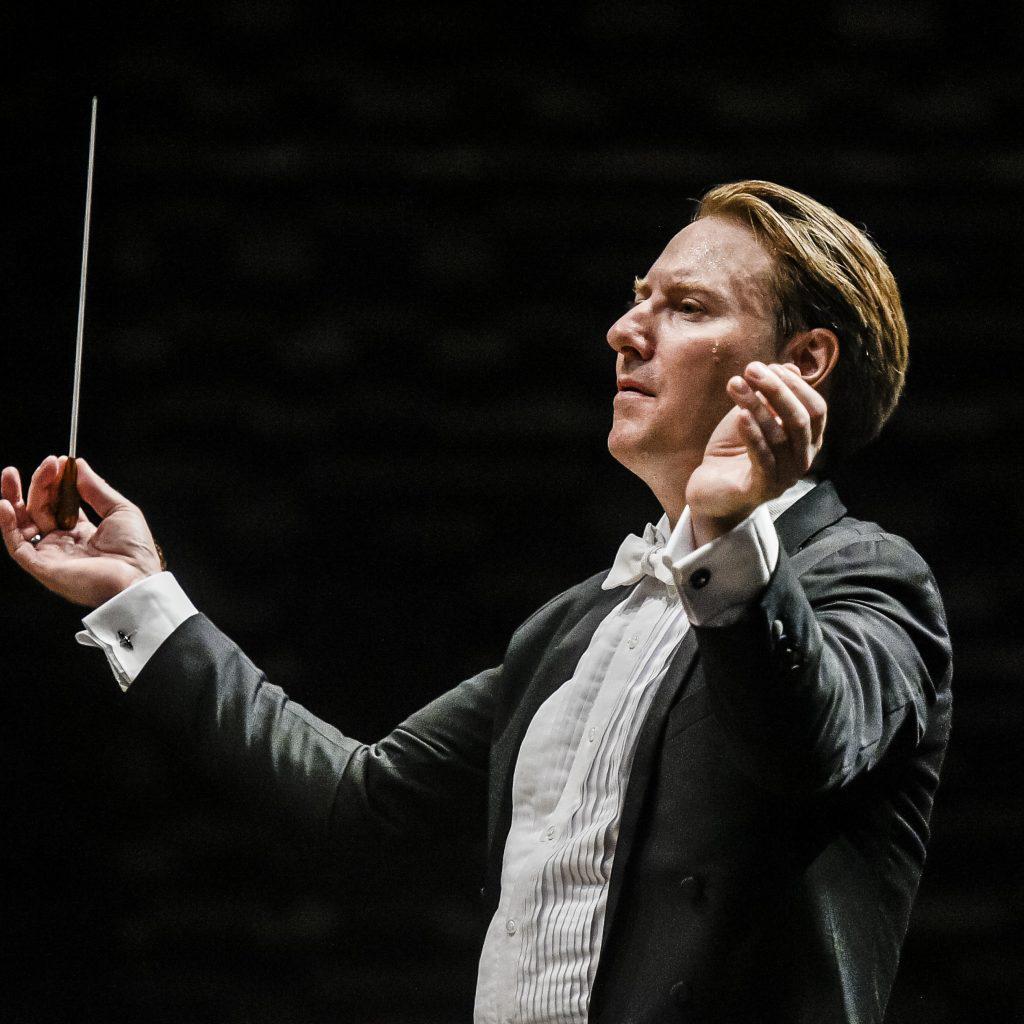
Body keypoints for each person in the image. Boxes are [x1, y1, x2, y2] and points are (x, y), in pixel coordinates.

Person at [1, 180, 952, 1024]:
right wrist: (140, 597)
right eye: (638, 299)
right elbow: (358, 804)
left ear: (804, 361)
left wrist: (733, 534)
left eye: (687, 307)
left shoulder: (870, 578)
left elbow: (804, 750)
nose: (625, 332)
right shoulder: (570, 631)